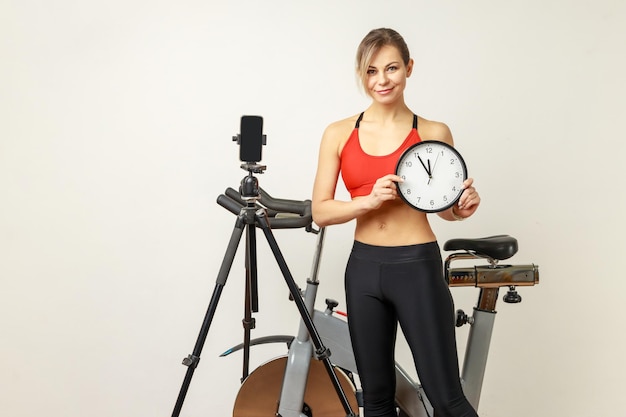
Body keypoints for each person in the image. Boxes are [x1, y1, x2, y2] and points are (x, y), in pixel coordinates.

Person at [311, 28, 481, 417]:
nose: (381, 80)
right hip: (364, 270)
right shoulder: (339, 133)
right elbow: (321, 210)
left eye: (391, 68)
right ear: (362, 74)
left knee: (447, 398)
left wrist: (460, 208)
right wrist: (367, 202)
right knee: (375, 400)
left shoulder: (433, 132)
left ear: (409, 68)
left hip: (416, 267)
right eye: (371, 71)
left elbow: (443, 206)